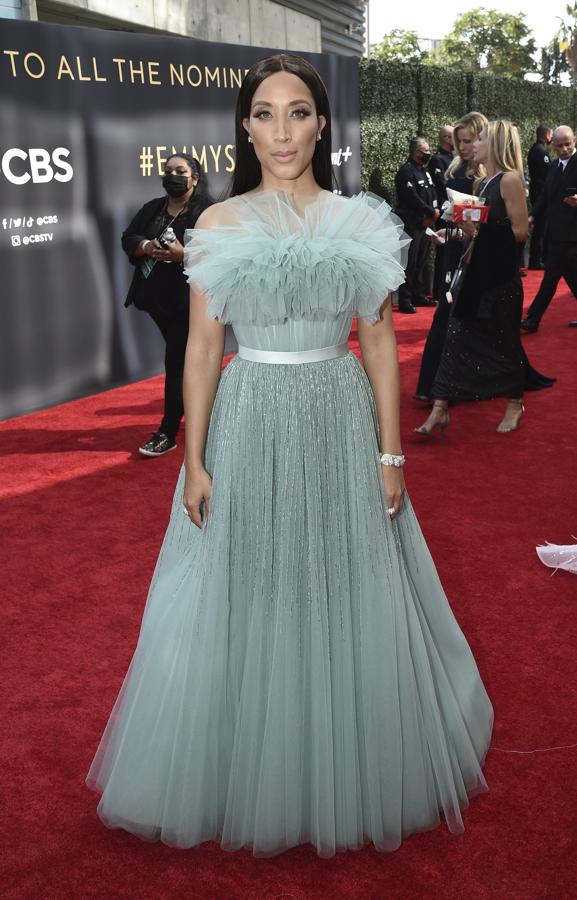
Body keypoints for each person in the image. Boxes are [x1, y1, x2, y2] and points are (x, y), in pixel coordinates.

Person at [87, 54, 493, 858]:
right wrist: (192, 460)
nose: (281, 130)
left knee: (340, 581)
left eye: (298, 112)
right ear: (244, 125)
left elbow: (379, 346)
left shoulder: (359, 220)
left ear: (319, 122)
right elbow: (202, 350)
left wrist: (390, 456)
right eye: (265, 113)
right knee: (252, 582)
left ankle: (339, 752)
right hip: (250, 416)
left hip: (338, 417)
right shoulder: (218, 223)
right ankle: (254, 755)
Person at [415, 120, 530, 435]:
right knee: (454, 338)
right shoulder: (481, 184)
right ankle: (440, 408)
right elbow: (477, 236)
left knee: (505, 342)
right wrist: (462, 227)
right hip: (476, 273)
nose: (471, 145)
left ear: (492, 144)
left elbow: (521, 232)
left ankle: (514, 403)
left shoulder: (509, 180)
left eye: (478, 139)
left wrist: (483, 224)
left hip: (501, 278)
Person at [122, 153, 212, 456]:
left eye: (181, 171)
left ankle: (168, 432)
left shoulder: (207, 212)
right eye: (168, 170)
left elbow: (221, 256)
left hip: (188, 303)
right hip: (155, 302)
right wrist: (146, 245)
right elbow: (128, 237)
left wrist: (183, 255)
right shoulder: (153, 209)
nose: (173, 175)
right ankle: (216, 415)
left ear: (195, 178)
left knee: (176, 365)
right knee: (190, 364)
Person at [415, 112, 487, 400]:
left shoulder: (488, 175)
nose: (464, 146)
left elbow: (489, 224)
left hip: (478, 254)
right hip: (454, 250)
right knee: (446, 318)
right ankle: (433, 387)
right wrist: (449, 230)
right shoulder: (454, 169)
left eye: (469, 140)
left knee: (473, 321)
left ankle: (451, 386)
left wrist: (466, 227)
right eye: (459, 141)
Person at [521, 126, 577, 333]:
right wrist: (532, 216)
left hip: (572, 235)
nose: (564, 149)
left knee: (550, 277)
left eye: (567, 144)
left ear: (575, 141)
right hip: (555, 232)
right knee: (572, 276)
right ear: (553, 146)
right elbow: (545, 196)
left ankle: (532, 319)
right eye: (559, 145)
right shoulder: (553, 166)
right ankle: (532, 319)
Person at [394, 136, 439, 313]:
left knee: (421, 261)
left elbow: (432, 191)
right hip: (412, 224)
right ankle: (405, 300)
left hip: (426, 224)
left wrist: (434, 212)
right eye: (425, 151)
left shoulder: (424, 171)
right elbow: (411, 198)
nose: (428, 154)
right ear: (417, 152)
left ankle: (418, 295)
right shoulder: (406, 172)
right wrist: (429, 212)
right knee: (410, 262)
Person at [527, 124, 552, 270]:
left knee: (541, 226)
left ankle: (538, 258)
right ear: (546, 134)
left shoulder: (537, 149)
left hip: (538, 192)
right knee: (541, 227)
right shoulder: (540, 151)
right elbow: (547, 174)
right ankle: (536, 259)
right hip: (540, 194)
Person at [428, 123, 455, 205]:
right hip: (446, 203)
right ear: (447, 138)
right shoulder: (437, 160)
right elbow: (442, 185)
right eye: (455, 137)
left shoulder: (454, 156)